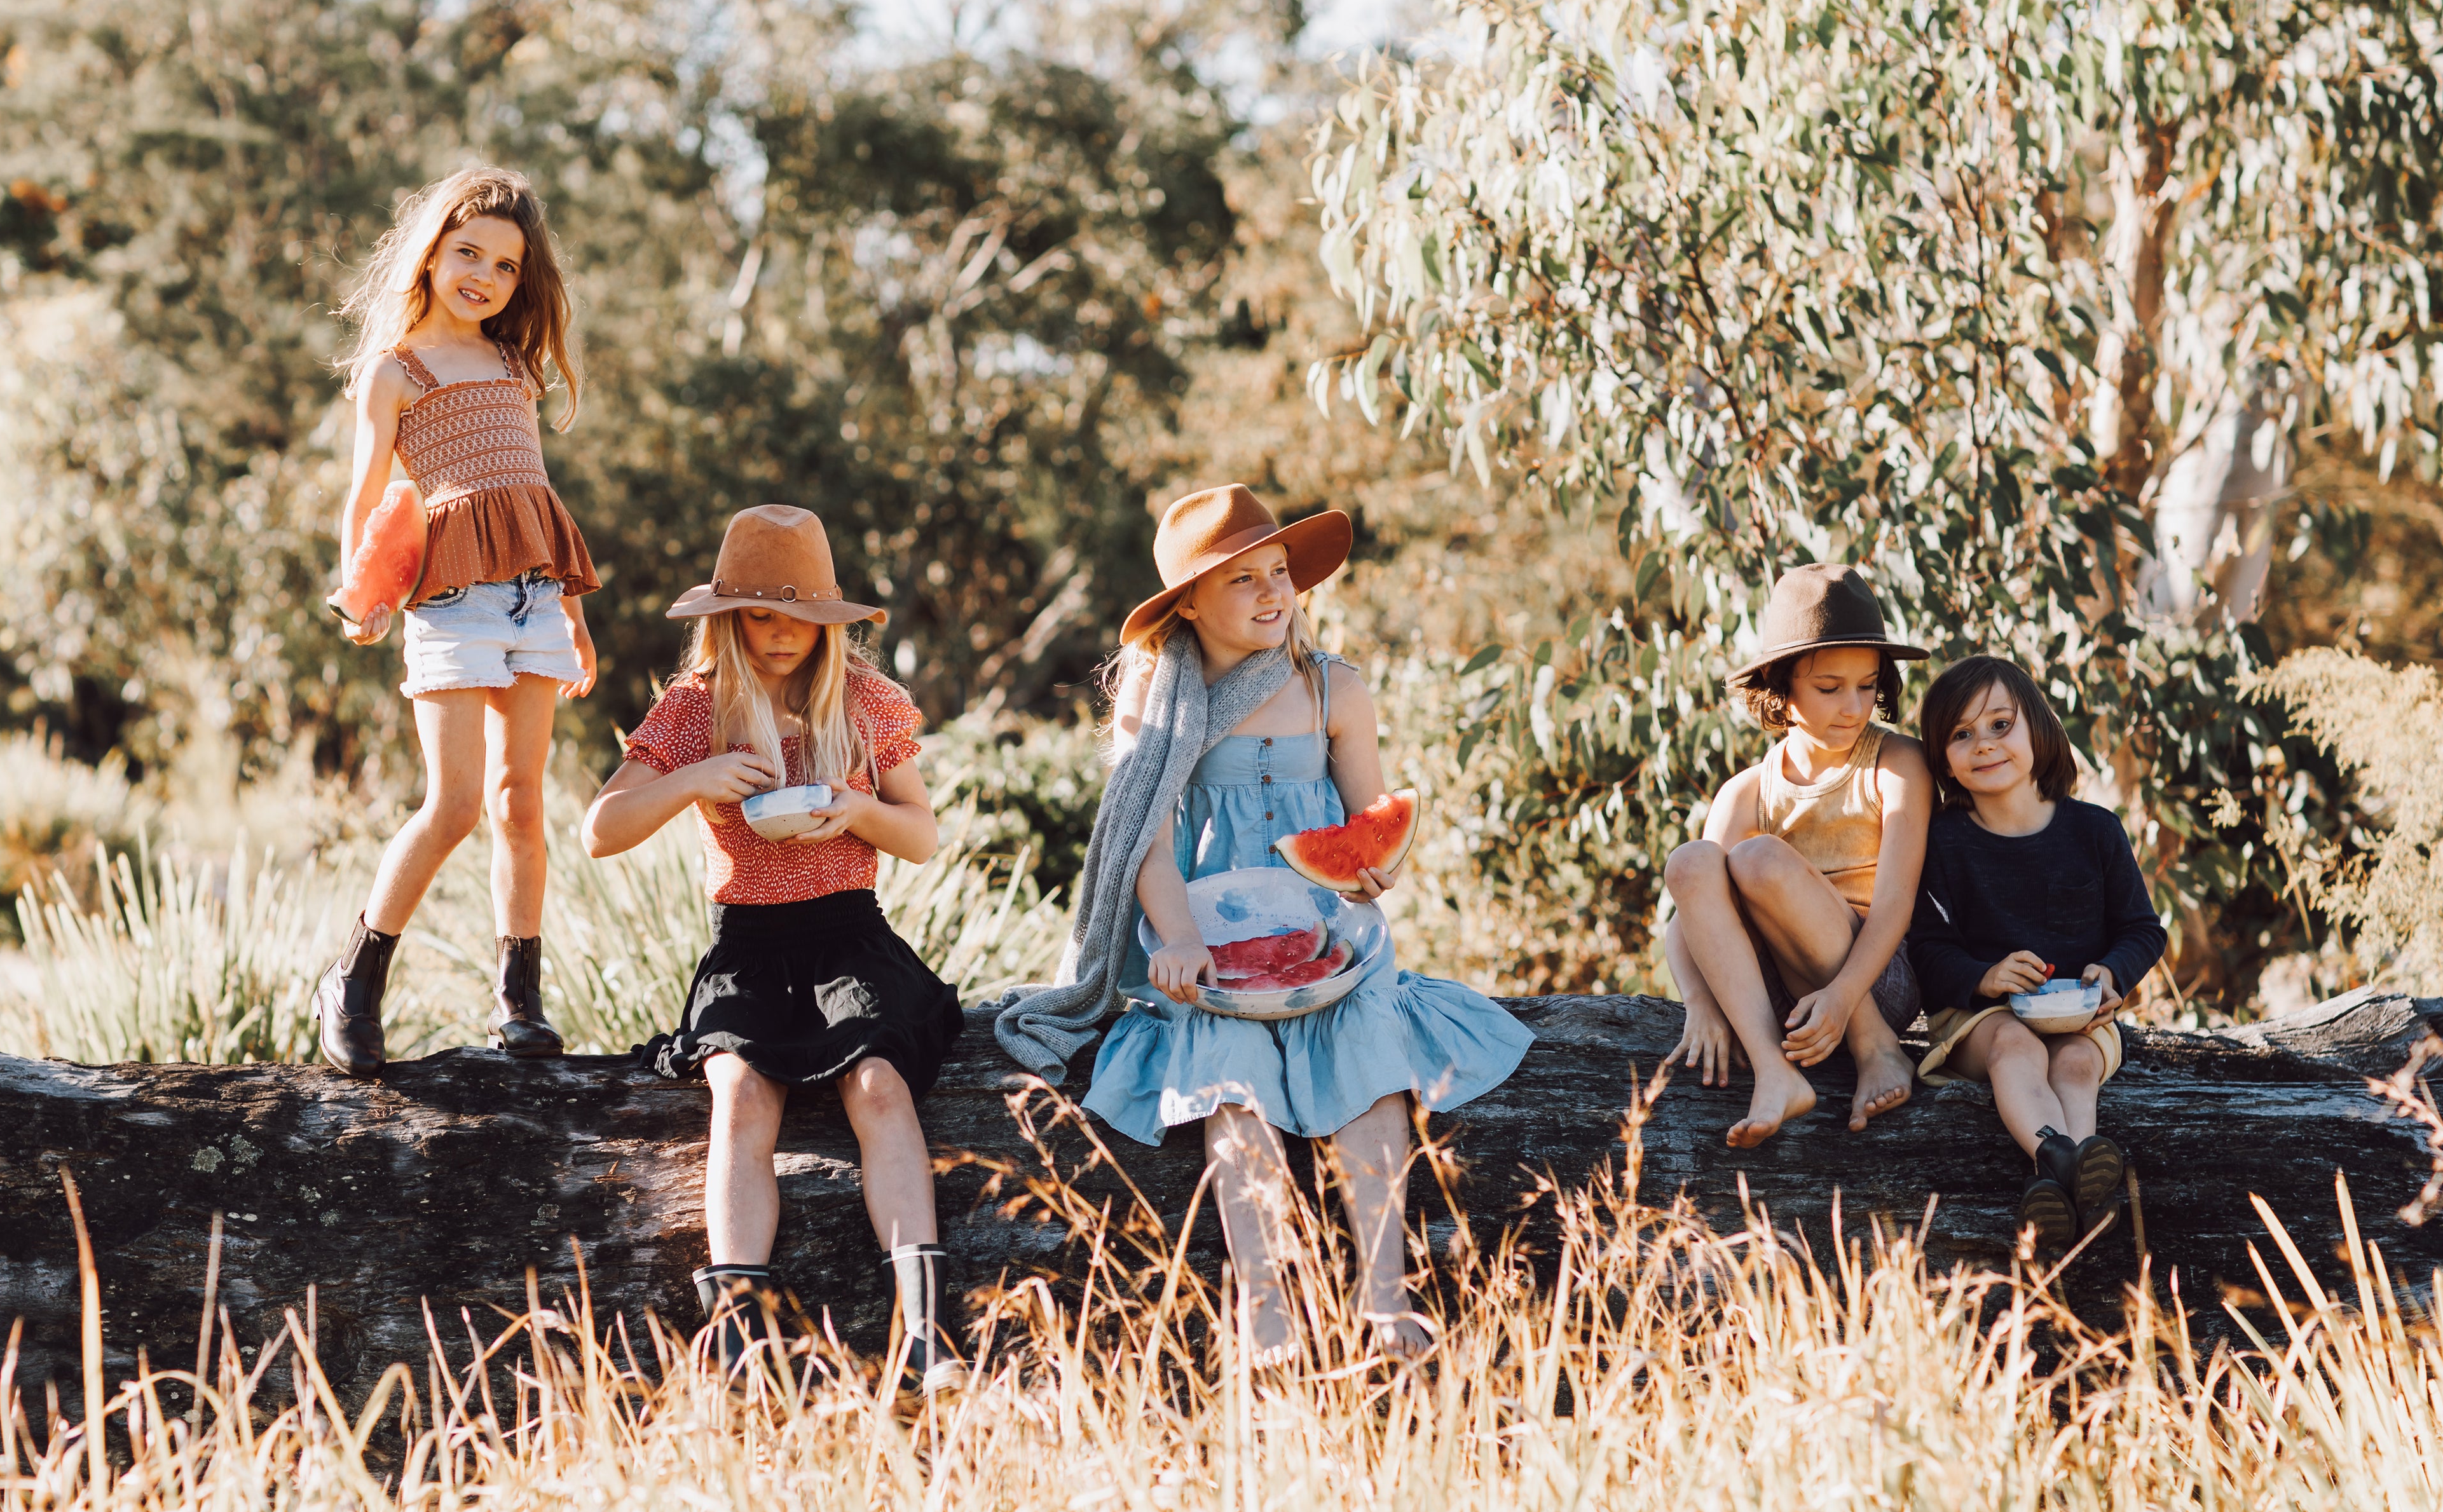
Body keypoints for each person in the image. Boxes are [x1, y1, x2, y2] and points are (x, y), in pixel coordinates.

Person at [996, 485, 1535, 1366]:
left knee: (1372, 1073)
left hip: (1328, 939)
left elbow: (1371, 825)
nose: (1271, 592)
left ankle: (1383, 1296)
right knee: (1232, 1086)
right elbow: (1149, 843)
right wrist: (1173, 938)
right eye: (1241, 579)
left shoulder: (1334, 687)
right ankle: (1267, 1301)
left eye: (1278, 573)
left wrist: (1378, 866)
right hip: (1208, 939)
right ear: (1189, 605)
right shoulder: (1161, 698)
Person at [582, 505, 966, 1389]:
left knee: (878, 1085)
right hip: (748, 946)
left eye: (801, 616)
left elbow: (920, 835)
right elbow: (599, 829)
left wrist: (858, 809)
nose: (783, 633)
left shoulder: (864, 700)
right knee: (743, 1096)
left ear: (830, 622)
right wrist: (693, 780)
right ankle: (740, 1335)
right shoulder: (696, 708)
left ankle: (924, 1327)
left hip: (851, 937)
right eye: (761, 613)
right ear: (729, 619)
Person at [315, 166, 599, 1074]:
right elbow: (363, 500)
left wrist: (572, 610)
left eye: (507, 266)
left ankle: (520, 1003)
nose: (484, 275)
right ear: (430, 252)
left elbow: (535, 493)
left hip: (533, 598)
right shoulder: (396, 371)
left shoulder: (515, 365)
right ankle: (355, 976)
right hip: (450, 602)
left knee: (524, 805)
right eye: (468, 252)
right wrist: (358, 591)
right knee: (456, 803)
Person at [1662, 564, 1934, 1147]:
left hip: (1873, 975)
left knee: (1758, 859)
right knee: (1691, 863)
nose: (1854, 706)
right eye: (1830, 688)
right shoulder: (1746, 791)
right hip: (1779, 1005)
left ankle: (1876, 1048)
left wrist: (1842, 999)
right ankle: (1774, 1071)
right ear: (1781, 690)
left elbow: (1896, 906)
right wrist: (1700, 1001)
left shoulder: (1895, 763)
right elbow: (1687, 917)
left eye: (1868, 685)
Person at [1906, 655, 2168, 1248]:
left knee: (2076, 1062)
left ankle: (2067, 1179)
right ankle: (2058, 1152)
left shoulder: (2095, 831)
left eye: (2001, 724)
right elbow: (1926, 949)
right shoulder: (1944, 842)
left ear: (2037, 726)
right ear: (1941, 755)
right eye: (1961, 734)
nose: (1985, 745)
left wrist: (2112, 972)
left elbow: (2143, 930)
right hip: (1982, 1019)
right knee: (2014, 1044)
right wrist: (1987, 976)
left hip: (2081, 1014)